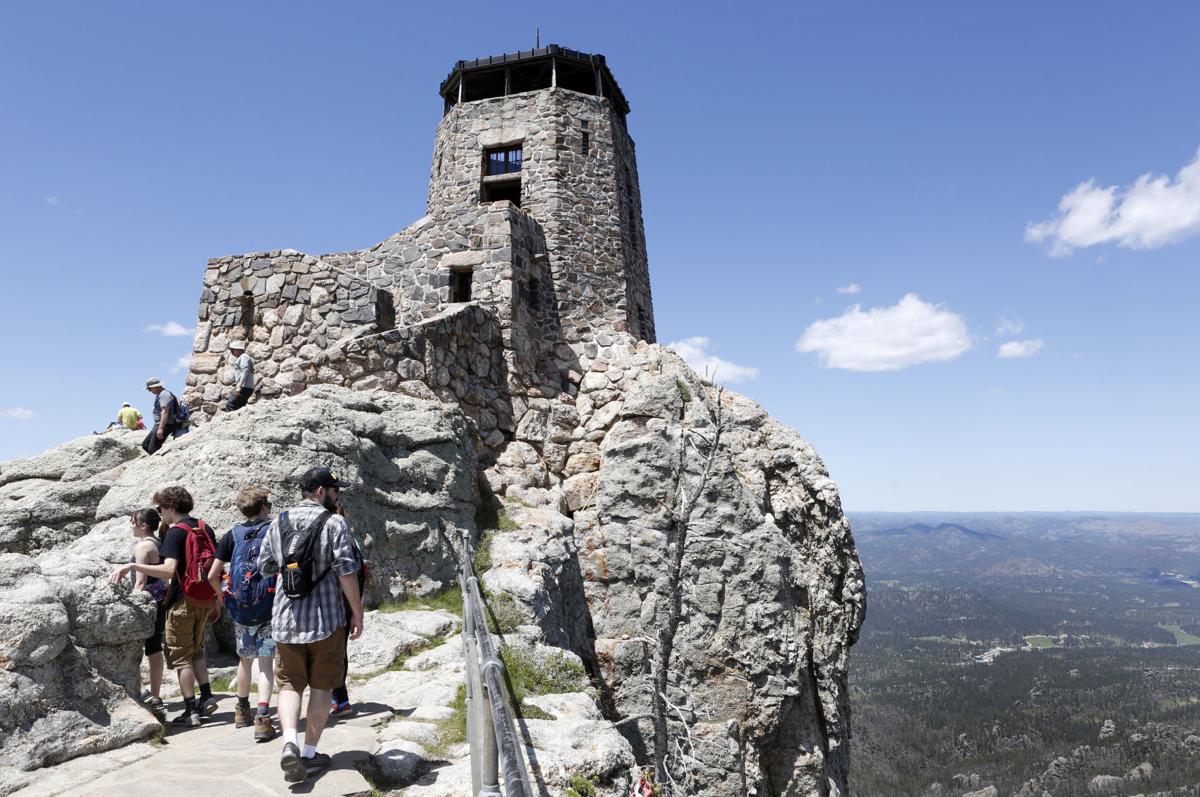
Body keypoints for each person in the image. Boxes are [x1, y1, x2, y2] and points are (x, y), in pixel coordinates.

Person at [257, 467, 364, 782]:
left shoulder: (278, 522)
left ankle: (289, 740)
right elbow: (346, 571)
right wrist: (356, 612)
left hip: (286, 621)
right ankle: (308, 753)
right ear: (321, 491)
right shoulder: (335, 523)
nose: (337, 495)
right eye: (334, 490)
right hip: (326, 621)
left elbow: (264, 567)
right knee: (321, 687)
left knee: (289, 685)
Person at [110, 486, 220, 727]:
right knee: (197, 651)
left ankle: (190, 709)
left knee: (181, 657)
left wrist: (133, 567)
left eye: (161, 509)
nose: (161, 514)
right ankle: (207, 696)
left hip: (182, 601)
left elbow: (169, 570)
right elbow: (215, 565)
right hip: (203, 599)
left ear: (170, 507)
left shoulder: (176, 533)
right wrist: (215, 599)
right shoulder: (203, 526)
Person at [207, 487, 278, 742]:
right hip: (267, 606)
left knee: (245, 660)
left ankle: (240, 711)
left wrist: (222, 596)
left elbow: (211, 574)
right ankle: (262, 717)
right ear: (263, 507)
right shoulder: (273, 529)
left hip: (240, 608)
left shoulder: (232, 534)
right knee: (266, 663)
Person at [128, 507, 168, 722]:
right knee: (154, 647)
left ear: (144, 525)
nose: (131, 524)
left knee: (136, 648)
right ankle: (156, 694)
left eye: (133, 521)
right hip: (161, 600)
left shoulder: (143, 546)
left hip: (146, 603)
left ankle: (141, 691)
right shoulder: (159, 542)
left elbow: (140, 582)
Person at [330, 496, 368, 719]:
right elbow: (360, 577)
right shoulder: (353, 542)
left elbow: (353, 575)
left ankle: (339, 698)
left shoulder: (345, 543)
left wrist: (356, 612)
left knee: (334, 653)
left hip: (334, 604)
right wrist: (357, 610)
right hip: (344, 605)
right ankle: (339, 697)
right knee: (338, 652)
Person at [142, 378, 179, 454]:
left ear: (155, 387)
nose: (149, 391)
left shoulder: (164, 394)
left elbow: (165, 411)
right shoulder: (160, 395)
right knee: (145, 445)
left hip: (165, 424)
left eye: (149, 389)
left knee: (153, 449)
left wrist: (161, 429)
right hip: (158, 424)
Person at [224, 340, 255, 411]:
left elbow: (245, 370)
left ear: (239, 349)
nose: (231, 352)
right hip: (246, 387)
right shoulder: (243, 357)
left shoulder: (244, 357)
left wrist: (239, 386)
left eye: (233, 349)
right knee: (240, 407)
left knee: (230, 404)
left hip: (244, 387)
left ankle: (231, 421)